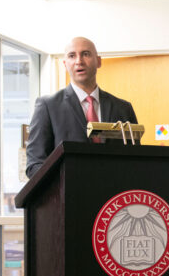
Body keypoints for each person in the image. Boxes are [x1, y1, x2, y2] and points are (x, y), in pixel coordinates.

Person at [25, 36, 138, 177]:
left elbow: (136, 160)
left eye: (86, 54)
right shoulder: (48, 106)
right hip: (69, 195)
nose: (79, 61)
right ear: (65, 64)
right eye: (72, 56)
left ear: (99, 61)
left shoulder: (123, 108)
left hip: (114, 196)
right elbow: (34, 165)